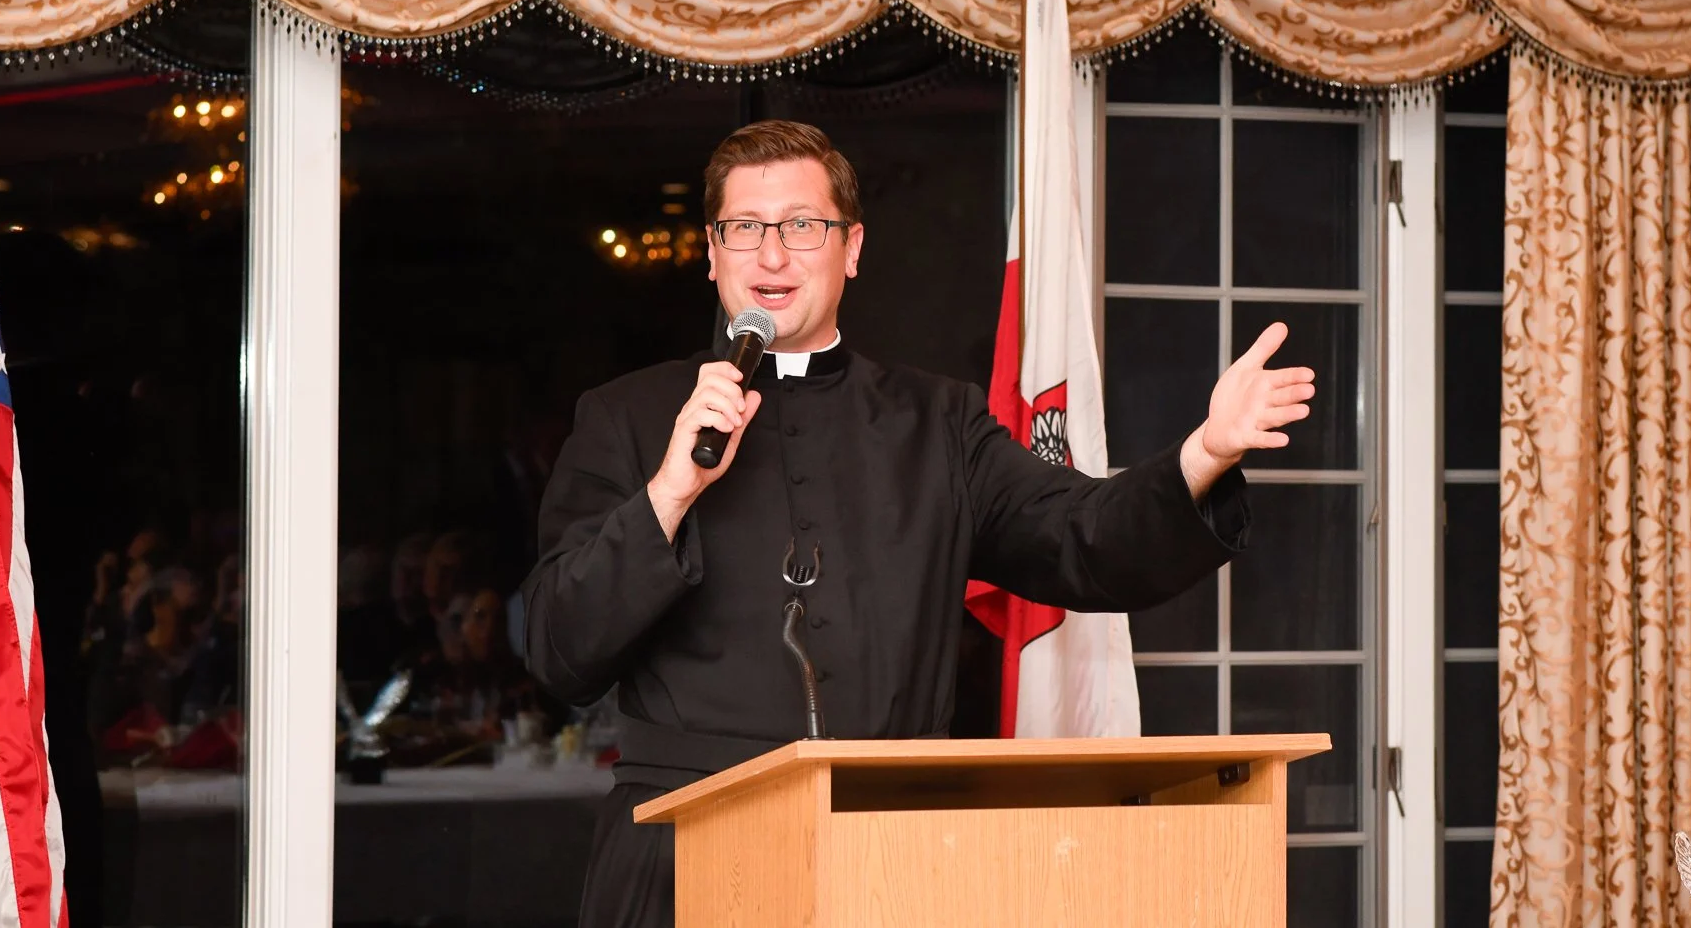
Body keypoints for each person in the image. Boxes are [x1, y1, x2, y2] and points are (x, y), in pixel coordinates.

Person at [522, 120, 1316, 928]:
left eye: (802, 225)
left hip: (890, 858)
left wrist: (1204, 452)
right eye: (746, 228)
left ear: (852, 247)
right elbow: (559, 649)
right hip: (679, 858)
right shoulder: (626, 419)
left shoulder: (938, 422)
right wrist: (670, 489)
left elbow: (1086, 537)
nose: (772, 255)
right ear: (712, 250)